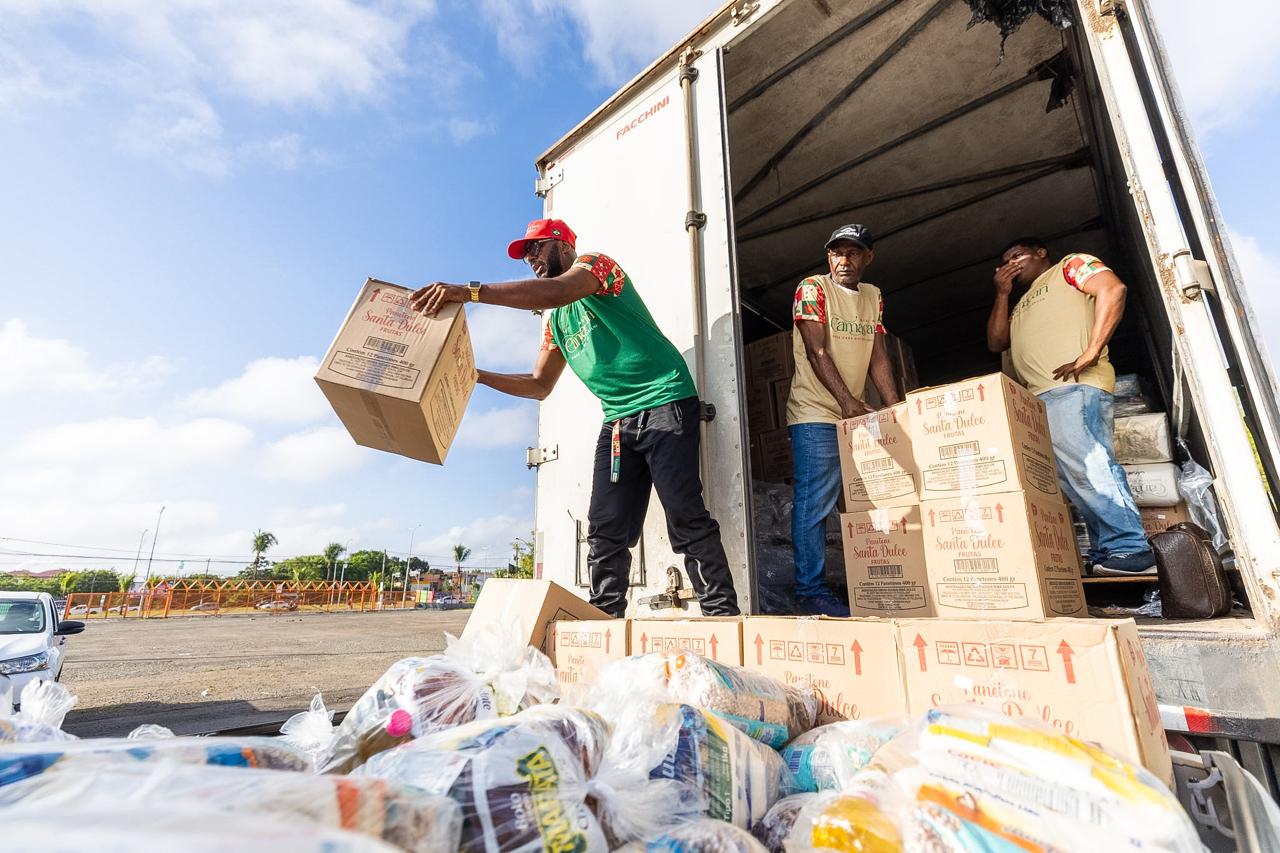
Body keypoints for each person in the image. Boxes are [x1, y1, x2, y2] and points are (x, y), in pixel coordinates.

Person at [410, 218, 740, 617]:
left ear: (563, 244)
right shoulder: (556, 324)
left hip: (664, 402)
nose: (531, 259)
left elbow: (558, 290)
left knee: (685, 517)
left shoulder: (597, 266)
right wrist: (476, 376)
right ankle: (604, 618)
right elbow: (538, 384)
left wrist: (469, 292)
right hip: (618, 423)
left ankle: (722, 616)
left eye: (536, 248)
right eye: (526, 255)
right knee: (605, 529)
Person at [986, 237, 1155, 575]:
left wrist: (1091, 351)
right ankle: (1108, 552)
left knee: (1090, 465)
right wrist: (1003, 294)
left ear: (1041, 253)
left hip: (1073, 388)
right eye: (1004, 260)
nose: (1010, 263)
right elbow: (996, 341)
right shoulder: (1020, 303)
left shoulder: (1069, 266)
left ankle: (1131, 548)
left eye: (1017, 255)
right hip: (1041, 399)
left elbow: (1113, 289)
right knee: (1073, 479)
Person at [786, 224, 901, 616]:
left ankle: (872, 583)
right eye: (837, 252)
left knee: (866, 503)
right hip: (815, 413)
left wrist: (893, 406)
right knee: (814, 503)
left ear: (868, 257)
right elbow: (816, 351)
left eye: (853, 252)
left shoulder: (873, 296)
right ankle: (809, 591)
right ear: (828, 256)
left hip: (854, 413)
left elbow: (878, 354)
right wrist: (848, 401)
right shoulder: (813, 289)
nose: (844, 260)